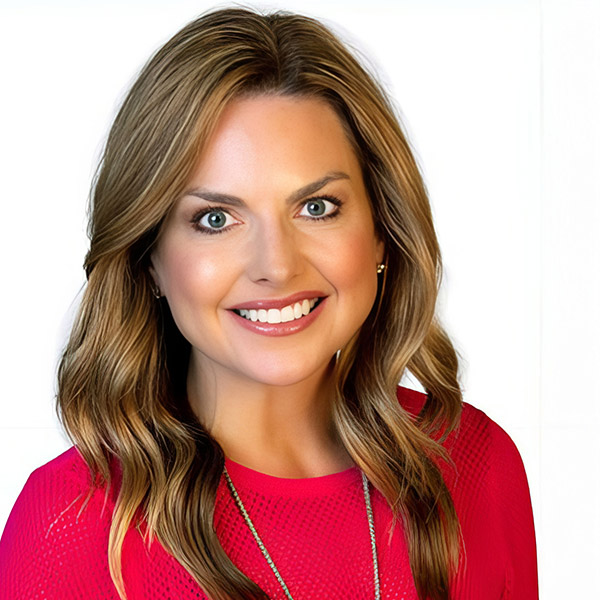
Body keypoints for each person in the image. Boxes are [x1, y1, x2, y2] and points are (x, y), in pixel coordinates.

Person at [0, 7, 538, 600]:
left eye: (317, 208)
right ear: (149, 258)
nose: (276, 266)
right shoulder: (69, 525)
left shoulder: (476, 466)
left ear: (383, 231)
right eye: (215, 218)